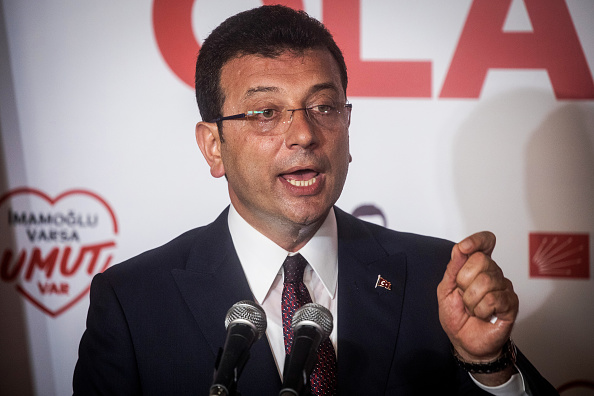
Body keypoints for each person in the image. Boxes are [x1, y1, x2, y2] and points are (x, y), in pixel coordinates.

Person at [73, 5, 558, 395]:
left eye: (323, 107)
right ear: (213, 145)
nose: (304, 134)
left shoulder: (437, 277)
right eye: (265, 112)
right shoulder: (134, 303)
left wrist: (488, 367)